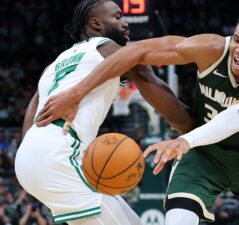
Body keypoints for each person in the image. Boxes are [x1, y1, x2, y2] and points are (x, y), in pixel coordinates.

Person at [35, 10, 239, 225]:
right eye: (238, 39)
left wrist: (186, 141)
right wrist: (77, 92)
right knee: (178, 219)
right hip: (203, 154)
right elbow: (136, 51)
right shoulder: (212, 48)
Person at [14, 0, 195, 224]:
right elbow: (164, 99)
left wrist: (34, 157)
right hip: (58, 154)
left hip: (33, 154)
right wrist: (197, 128)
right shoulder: (110, 49)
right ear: (96, 24)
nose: (125, 23)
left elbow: (33, 111)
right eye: (118, 17)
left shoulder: (54, 64)